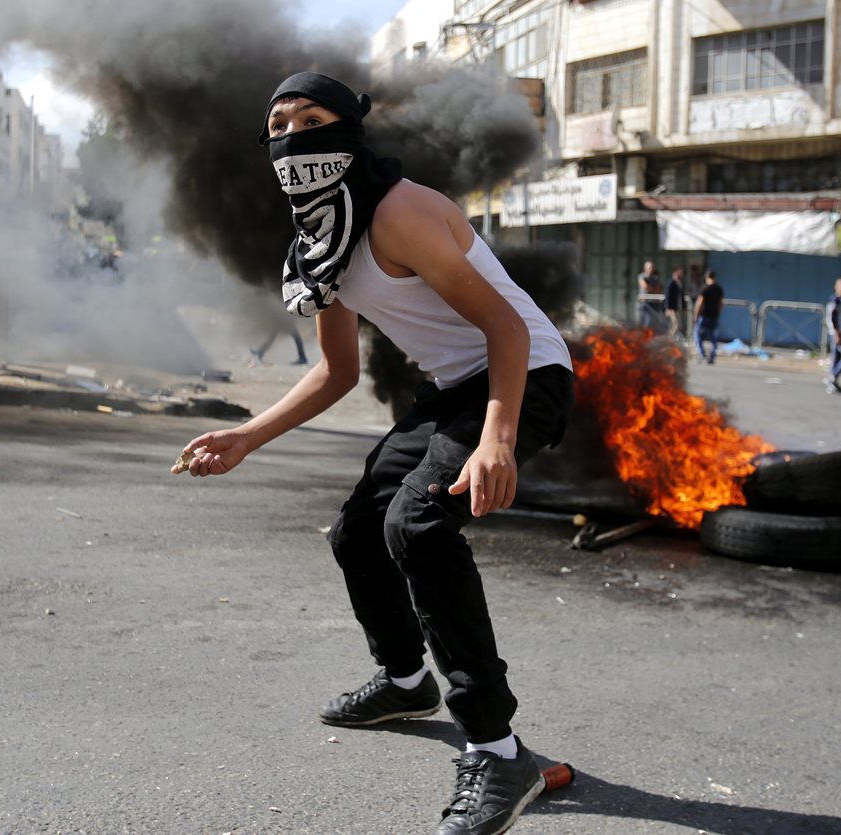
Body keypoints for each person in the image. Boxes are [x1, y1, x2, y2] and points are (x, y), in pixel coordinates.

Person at [178, 72, 574, 835]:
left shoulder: (399, 211)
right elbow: (337, 371)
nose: (293, 137)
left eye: (311, 119)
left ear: (349, 129)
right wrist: (246, 435)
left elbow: (507, 328)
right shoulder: (318, 242)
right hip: (452, 387)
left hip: (527, 375)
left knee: (416, 524)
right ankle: (405, 678)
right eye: (279, 126)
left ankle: (498, 750)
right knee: (356, 532)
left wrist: (497, 439)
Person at [691, 269, 725, 364]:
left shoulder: (704, 288)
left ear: (706, 277)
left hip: (704, 316)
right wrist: (718, 312)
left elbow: (699, 303)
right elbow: (721, 303)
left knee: (698, 335)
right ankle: (712, 357)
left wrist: (696, 315)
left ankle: (702, 354)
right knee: (713, 338)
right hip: (714, 316)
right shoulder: (719, 289)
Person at [636, 259, 666, 332]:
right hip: (644, 304)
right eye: (649, 268)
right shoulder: (641, 276)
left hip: (654, 304)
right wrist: (654, 290)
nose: (651, 269)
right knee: (646, 322)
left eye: (652, 268)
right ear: (645, 268)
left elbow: (659, 289)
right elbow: (646, 287)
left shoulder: (655, 278)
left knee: (655, 322)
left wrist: (653, 289)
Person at [663, 264, 686, 340]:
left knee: (675, 324)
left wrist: (684, 306)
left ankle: (671, 338)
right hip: (672, 308)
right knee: (676, 324)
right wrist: (668, 308)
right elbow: (668, 296)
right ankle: (669, 339)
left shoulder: (679, 283)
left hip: (677, 307)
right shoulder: (671, 283)